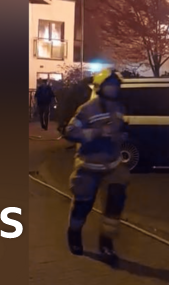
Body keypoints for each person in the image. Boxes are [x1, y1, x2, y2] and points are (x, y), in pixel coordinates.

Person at [62, 68, 129, 265]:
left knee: (116, 202)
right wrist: (96, 133)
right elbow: (71, 132)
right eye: (109, 86)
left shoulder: (119, 108)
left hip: (112, 165)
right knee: (83, 205)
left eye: (116, 86)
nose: (113, 90)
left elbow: (118, 129)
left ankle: (106, 244)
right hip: (89, 166)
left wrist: (121, 135)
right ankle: (74, 234)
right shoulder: (87, 109)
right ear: (100, 87)